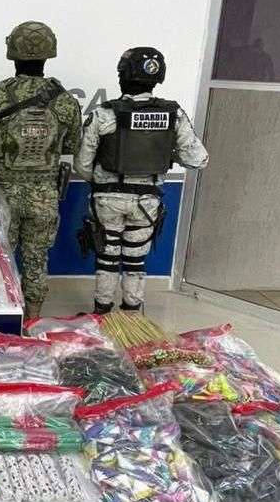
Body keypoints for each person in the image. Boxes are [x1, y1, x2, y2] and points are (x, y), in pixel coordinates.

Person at [75, 46, 209, 313]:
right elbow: (199, 159)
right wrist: (167, 154)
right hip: (147, 201)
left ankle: (102, 312)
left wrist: (103, 182)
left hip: (108, 200)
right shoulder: (173, 114)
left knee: (107, 259)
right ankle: (132, 315)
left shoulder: (104, 113)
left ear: (123, 76)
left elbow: (82, 165)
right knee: (135, 262)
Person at [0, 22, 82, 319]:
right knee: (37, 258)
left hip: (2, 194)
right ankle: (33, 319)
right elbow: (72, 144)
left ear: (13, 54)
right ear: (49, 53)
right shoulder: (65, 101)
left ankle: (2, 319)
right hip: (44, 194)